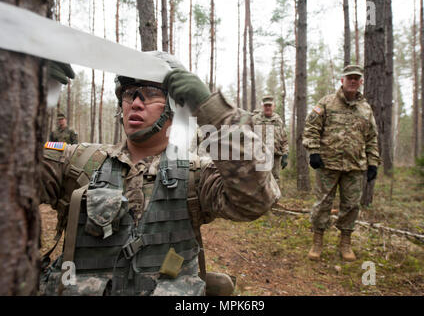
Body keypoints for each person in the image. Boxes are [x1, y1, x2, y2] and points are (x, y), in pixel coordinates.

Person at [39, 52, 280, 296]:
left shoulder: (196, 175)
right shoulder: (78, 162)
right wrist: (25, 88)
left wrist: (213, 112)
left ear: (174, 105)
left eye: (151, 93)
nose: (135, 102)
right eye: (128, 93)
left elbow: (257, 199)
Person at [302, 65, 380, 262]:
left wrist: (373, 163)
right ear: (342, 80)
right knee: (322, 204)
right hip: (327, 164)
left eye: (356, 78)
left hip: (355, 167)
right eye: (349, 78)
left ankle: (345, 243)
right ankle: (317, 241)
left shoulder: (365, 109)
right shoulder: (326, 103)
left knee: (352, 205)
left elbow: (371, 138)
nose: (353, 81)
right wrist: (314, 152)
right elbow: (311, 127)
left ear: (361, 82)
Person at [251, 95, 289, 184]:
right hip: (259, 157)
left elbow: (284, 139)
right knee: (260, 182)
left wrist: (285, 154)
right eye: (265, 106)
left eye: (269, 105)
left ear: (273, 106)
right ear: (262, 106)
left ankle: (274, 198)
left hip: (274, 157)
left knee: (275, 181)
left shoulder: (278, 120)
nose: (268, 107)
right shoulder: (255, 120)